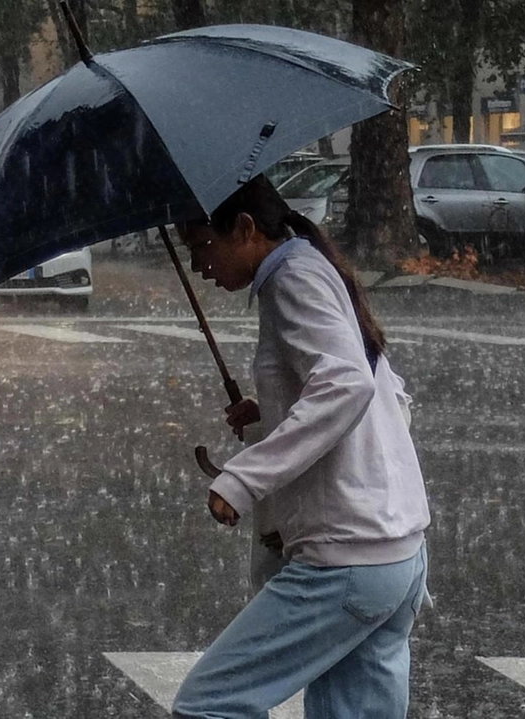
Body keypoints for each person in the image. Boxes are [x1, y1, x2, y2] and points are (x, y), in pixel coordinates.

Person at [172, 175, 431, 719]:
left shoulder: (291, 277)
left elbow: (346, 386)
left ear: (243, 228)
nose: (199, 265)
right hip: (395, 554)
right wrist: (274, 412)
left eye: (200, 245)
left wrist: (245, 478)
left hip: (347, 558)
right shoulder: (313, 266)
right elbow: (385, 395)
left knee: (210, 705)